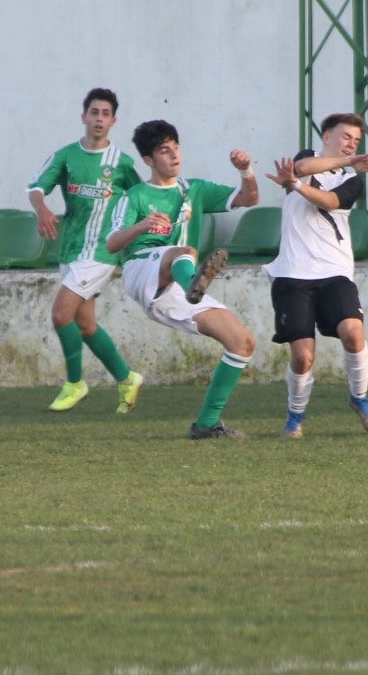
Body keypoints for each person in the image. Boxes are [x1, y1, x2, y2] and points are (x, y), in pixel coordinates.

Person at [106, 119, 259, 439]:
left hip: (178, 287)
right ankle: (192, 280)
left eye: (176, 147)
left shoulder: (194, 190)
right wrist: (143, 226)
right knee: (182, 250)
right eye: (164, 150)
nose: (174, 155)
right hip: (140, 270)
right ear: (149, 160)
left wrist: (245, 171)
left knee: (242, 342)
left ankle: (206, 425)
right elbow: (112, 243)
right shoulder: (133, 196)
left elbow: (249, 199)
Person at [263, 112, 368, 437]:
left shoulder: (352, 179)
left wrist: (296, 188)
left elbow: (331, 201)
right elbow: (301, 169)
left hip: (335, 272)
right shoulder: (306, 158)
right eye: (346, 137)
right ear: (326, 136)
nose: (351, 145)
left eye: (356, 141)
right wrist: (296, 181)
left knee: (353, 332)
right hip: (292, 274)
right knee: (303, 358)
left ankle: (359, 398)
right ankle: (295, 415)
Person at [27, 87, 145, 413]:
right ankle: (126, 378)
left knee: (60, 314)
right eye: (94, 112)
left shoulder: (121, 163)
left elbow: (140, 198)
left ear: (113, 121)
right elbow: (37, 187)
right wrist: (42, 209)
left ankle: (75, 382)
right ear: (84, 117)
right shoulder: (65, 156)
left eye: (105, 114)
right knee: (85, 325)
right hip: (72, 249)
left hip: (102, 251)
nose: (99, 119)